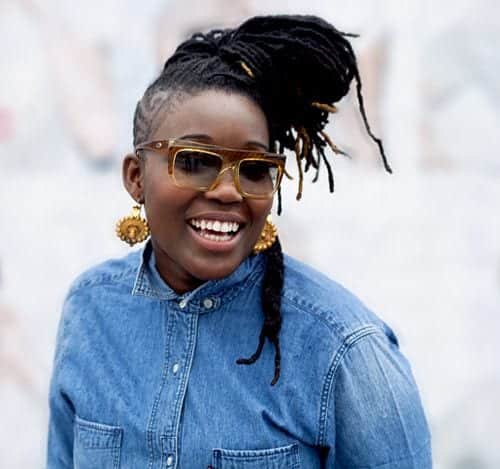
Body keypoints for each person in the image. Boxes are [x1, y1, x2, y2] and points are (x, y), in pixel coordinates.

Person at [47, 14, 432, 468]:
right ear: (136, 177)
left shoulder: (345, 349)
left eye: (254, 169)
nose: (229, 192)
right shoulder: (91, 310)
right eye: (194, 161)